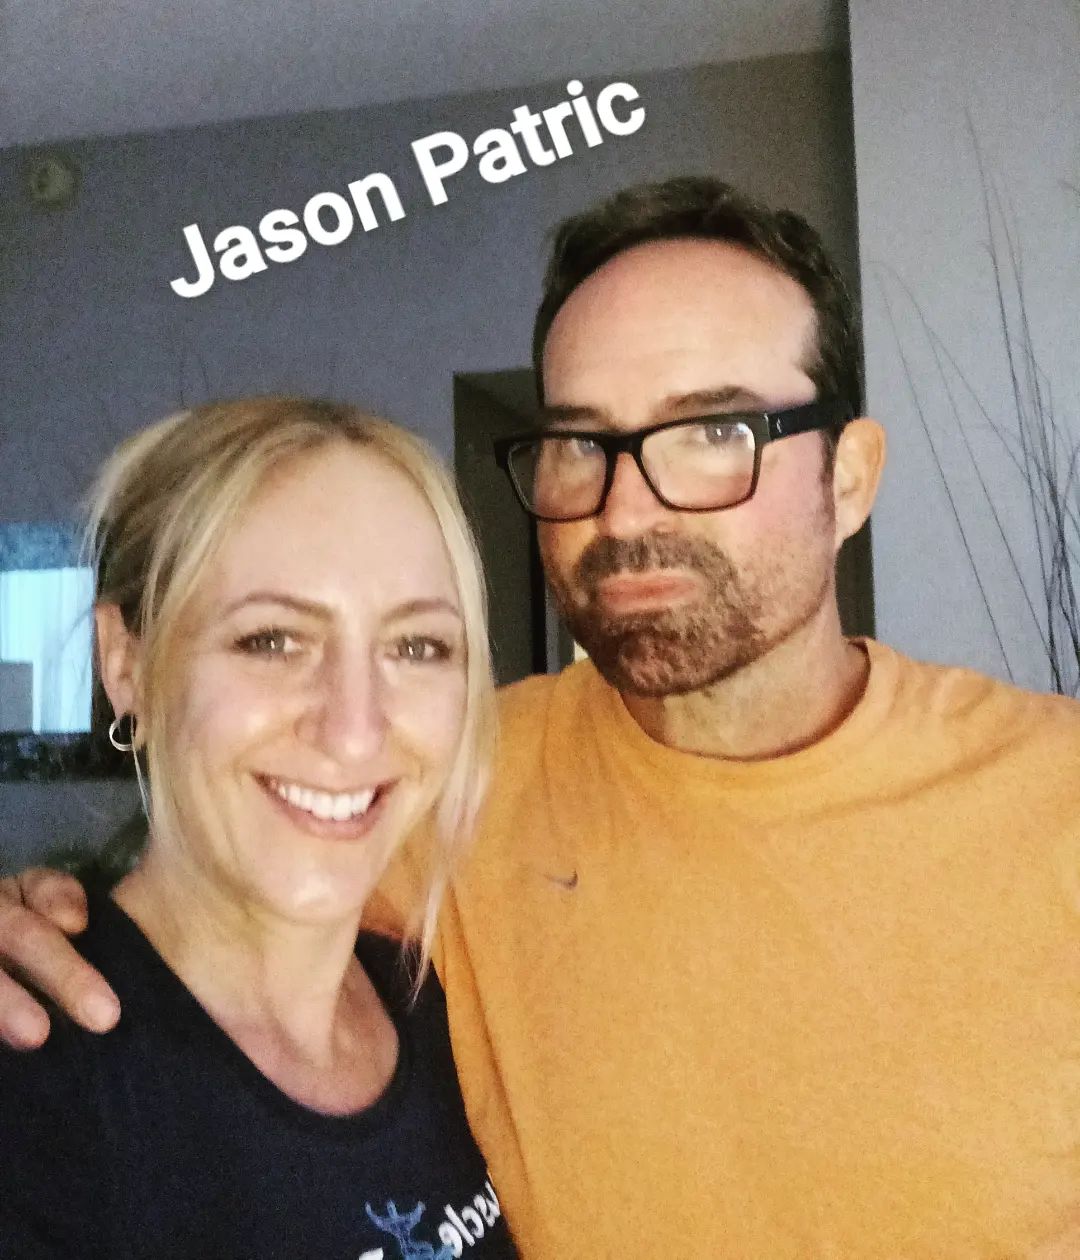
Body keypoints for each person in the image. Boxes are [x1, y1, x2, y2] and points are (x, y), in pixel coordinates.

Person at [4, 177, 1080, 1258]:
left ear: (849, 478)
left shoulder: (1056, 797)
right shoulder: (446, 791)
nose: (627, 507)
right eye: (581, 443)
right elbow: (207, 892)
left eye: (714, 429)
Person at [0, 397, 517, 1259]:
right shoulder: (36, 1089)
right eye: (272, 640)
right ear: (125, 663)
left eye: (418, 646)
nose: (354, 731)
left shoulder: (436, 1008)